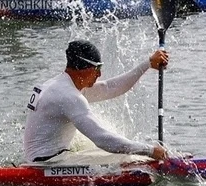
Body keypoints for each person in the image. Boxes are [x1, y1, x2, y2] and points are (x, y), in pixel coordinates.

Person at [23, 40, 171, 167]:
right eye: (97, 68)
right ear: (84, 68)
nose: (99, 74)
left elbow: (109, 88)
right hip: (47, 164)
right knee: (132, 160)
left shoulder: (60, 85)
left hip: (46, 157)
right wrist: (150, 151)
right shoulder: (69, 96)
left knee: (133, 157)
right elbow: (103, 140)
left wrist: (147, 64)